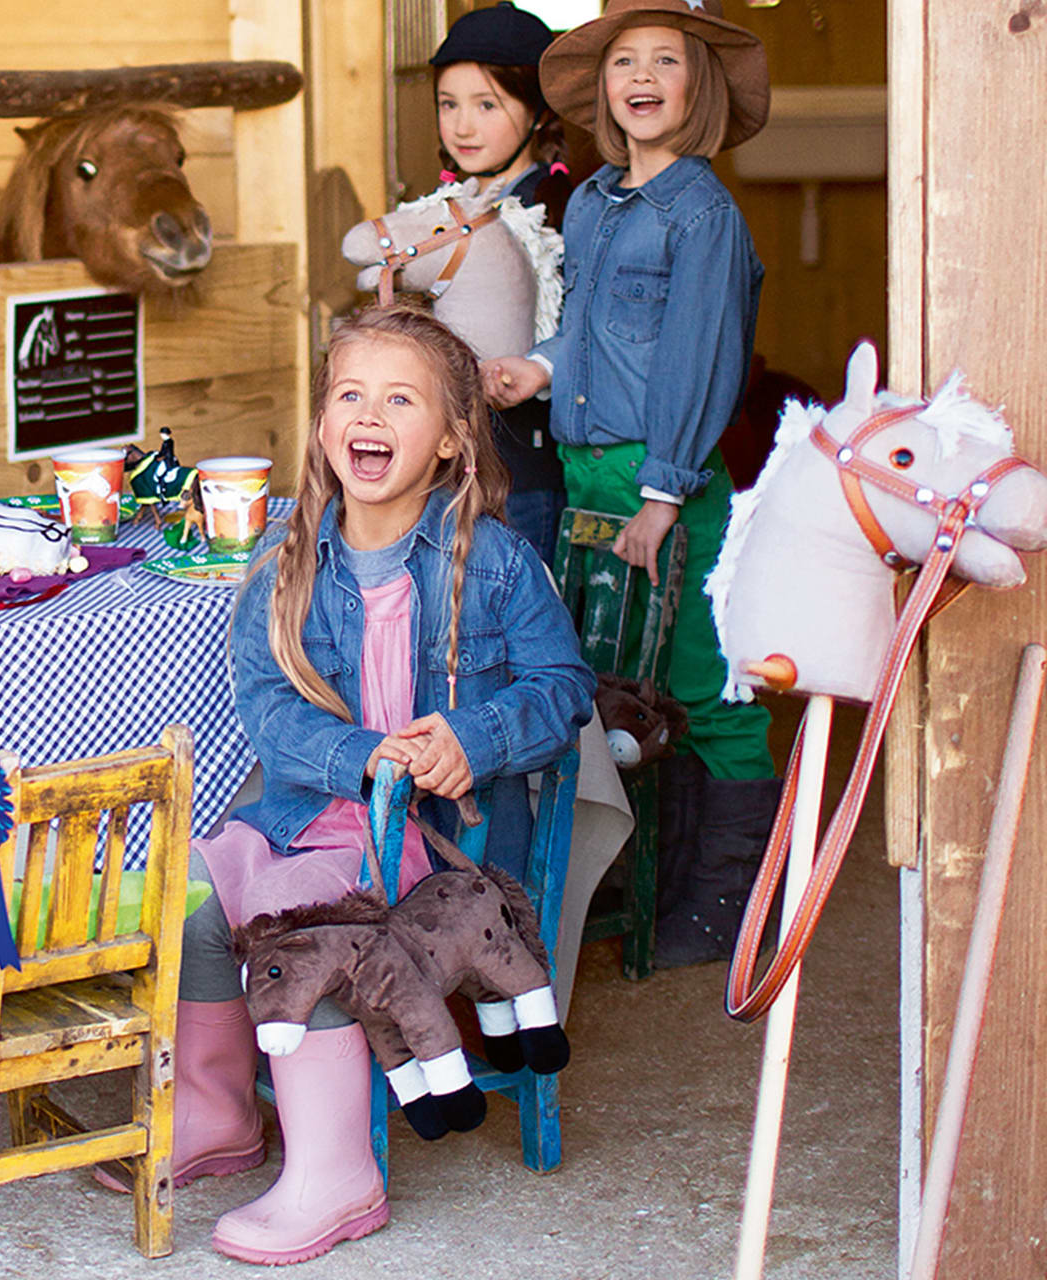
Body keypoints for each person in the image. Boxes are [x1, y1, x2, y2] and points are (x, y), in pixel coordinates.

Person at [156, 305, 593, 1265]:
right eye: (350, 394)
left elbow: (563, 690)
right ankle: (217, 1111)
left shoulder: (497, 561)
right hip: (322, 815)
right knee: (190, 892)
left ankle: (337, 1173)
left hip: (448, 853)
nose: (370, 413)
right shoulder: (285, 563)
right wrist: (362, 754)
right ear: (322, 426)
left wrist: (472, 739)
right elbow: (268, 709)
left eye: (401, 400)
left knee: (302, 927)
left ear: (447, 441)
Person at [482, 0, 778, 967]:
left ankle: (725, 904)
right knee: (625, 690)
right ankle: (651, 887)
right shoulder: (600, 199)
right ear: (604, 90)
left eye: (665, 60)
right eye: (623, 63)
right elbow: (599, 330)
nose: (640, 77)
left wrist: (661, 497)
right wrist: (539, 366)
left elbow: (699, 360)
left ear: (698, 86)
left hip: (667, 484)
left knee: (706, 685)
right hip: (586, 472)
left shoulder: (703, 213)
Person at [430, 0, 577, 556]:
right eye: (449, 104)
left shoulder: (552, 208)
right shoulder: (447, 205)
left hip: (523, 472)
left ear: (538, 111)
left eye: (487, 104)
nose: (462, 125)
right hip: (450, 467)